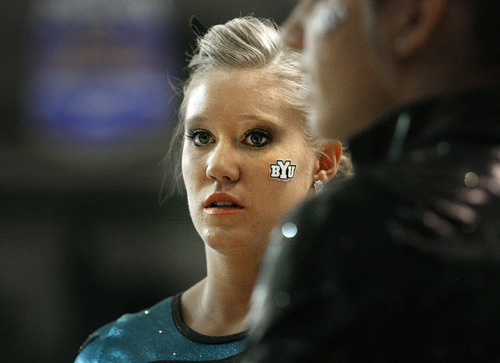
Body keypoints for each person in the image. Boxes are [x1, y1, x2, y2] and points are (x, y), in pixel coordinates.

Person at [74, 16, 351, 362]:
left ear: (323, 161)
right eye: (202, 137)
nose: (218, 167)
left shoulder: (378, 334)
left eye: (256, 138)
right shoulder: (117, 352)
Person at [244, 0, 500, 361]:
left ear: (414, 17)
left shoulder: (364, 225)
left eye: (317, 4)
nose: (289, 35)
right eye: (201, 136)